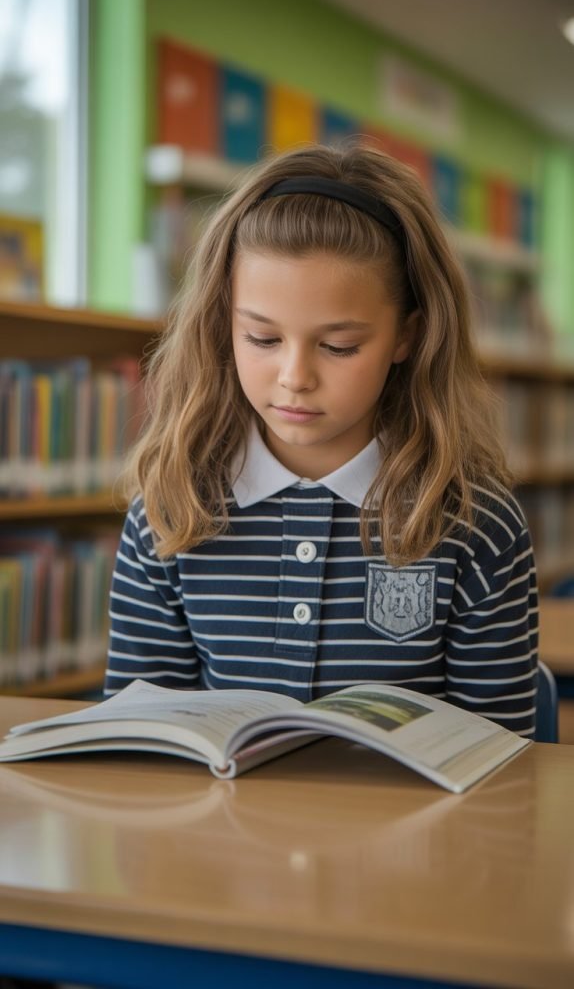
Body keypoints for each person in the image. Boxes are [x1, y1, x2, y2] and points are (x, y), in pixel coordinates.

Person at [105, 143, 538, 737]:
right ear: (223, 323)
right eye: (262, 338)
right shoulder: (169, 508)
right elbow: (137, 741)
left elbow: (498, 757)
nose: (295, 377)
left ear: (407, 337)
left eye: (339, 347)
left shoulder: (475, 521)